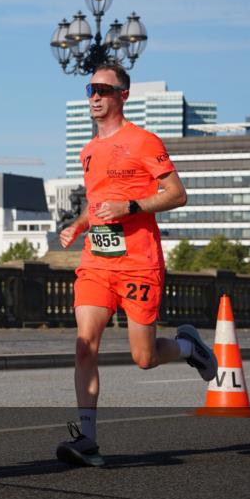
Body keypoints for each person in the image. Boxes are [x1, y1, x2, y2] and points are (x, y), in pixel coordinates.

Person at [56, 63, 218, 467]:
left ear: (122, 96)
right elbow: (97, 205)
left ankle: (188, 346)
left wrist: (130, 206)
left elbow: (178, 194)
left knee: (143, 358)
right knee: (83, 346)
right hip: (96, 262)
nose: (94, 96)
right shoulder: (88, 150)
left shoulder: (144, 141)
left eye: (103, 90)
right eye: (90, 89)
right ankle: (87, 438)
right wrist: (78, 225)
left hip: (139, 263)